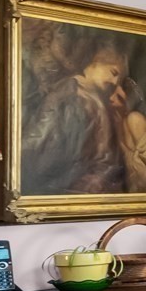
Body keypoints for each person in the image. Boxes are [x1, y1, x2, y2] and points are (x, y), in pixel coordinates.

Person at [23, 44, 131, 194]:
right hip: (45, 171)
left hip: (73, 182)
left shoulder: (98, 104)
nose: (114, 82)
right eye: (113, 73)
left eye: (118, 79)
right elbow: (41, 129)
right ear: (97, 62)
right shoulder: (65, 88)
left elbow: (104, 154)